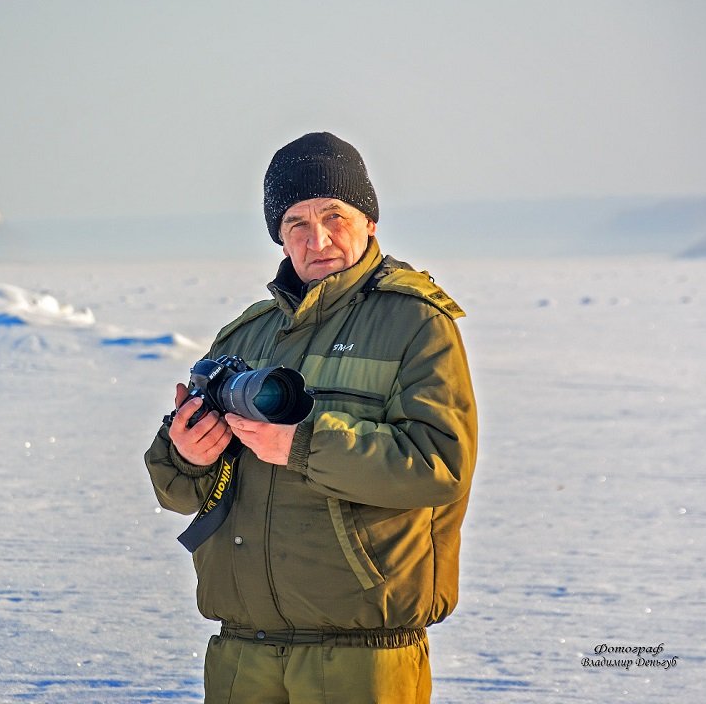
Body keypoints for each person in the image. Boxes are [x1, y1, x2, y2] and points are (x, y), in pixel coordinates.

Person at [145, 132, 477, 704]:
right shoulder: (246, 334)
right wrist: (187, 456)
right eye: (296, 223)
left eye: (333, 215)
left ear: (369, 220)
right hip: (242, 650)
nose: (316, 239)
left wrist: (302, 445)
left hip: (361, 654)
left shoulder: (415, 323)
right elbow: (176, 491)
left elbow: (438, 466)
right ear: (278, 236)